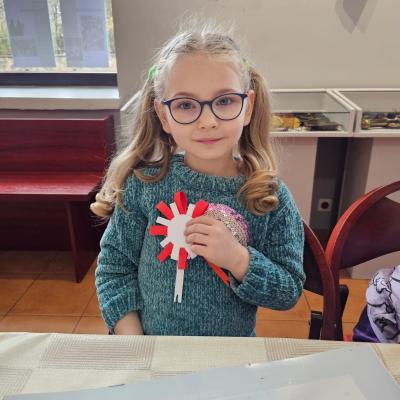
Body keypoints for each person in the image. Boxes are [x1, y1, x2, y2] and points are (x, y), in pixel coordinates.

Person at [91, 22, 305, 336]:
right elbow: (115, 268)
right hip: (151, 349)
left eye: (225, 101)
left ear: (248, 107)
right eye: (185, 105)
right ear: (163, 116)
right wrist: (133, 341)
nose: (207, 121)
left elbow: (288, 291)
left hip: (231, 355)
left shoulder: (268, 197)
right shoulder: (144, 186)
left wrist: (239, 260)